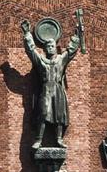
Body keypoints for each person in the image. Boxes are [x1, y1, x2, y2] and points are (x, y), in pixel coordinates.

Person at [22, 12, 85, 149]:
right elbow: (31, 51)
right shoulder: (41, 61)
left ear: (55, 47)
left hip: (58, 89)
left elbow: (71, 51)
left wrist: (76, 36)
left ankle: (59, 139)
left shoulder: (61, 59)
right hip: (46, 89)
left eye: (52, 46)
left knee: (59, 113)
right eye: (47, 46)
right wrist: (27, 34)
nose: (50, 48)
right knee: (43, 112)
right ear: (45, 49)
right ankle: (39, 139)